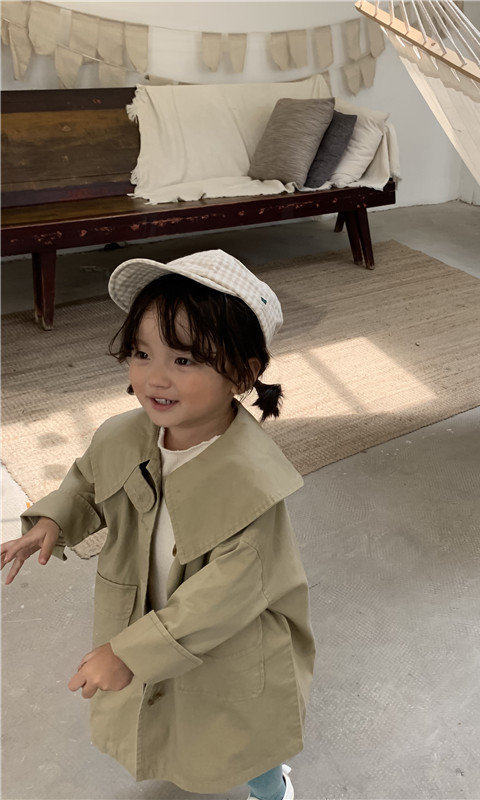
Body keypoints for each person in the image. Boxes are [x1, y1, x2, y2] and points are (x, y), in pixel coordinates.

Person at [1, 250, 313, 800]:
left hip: (224, 636)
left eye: (184, 359)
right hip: (149, 604)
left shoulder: (252, 483)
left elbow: (224, 597)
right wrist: (52, 519)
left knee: (236, 727)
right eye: (142, 353)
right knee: (173, 711)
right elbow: (88, 481)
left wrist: (129, 653)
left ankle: (272, 786)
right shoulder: (123, 435)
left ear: (244, 373)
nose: (156, 377)